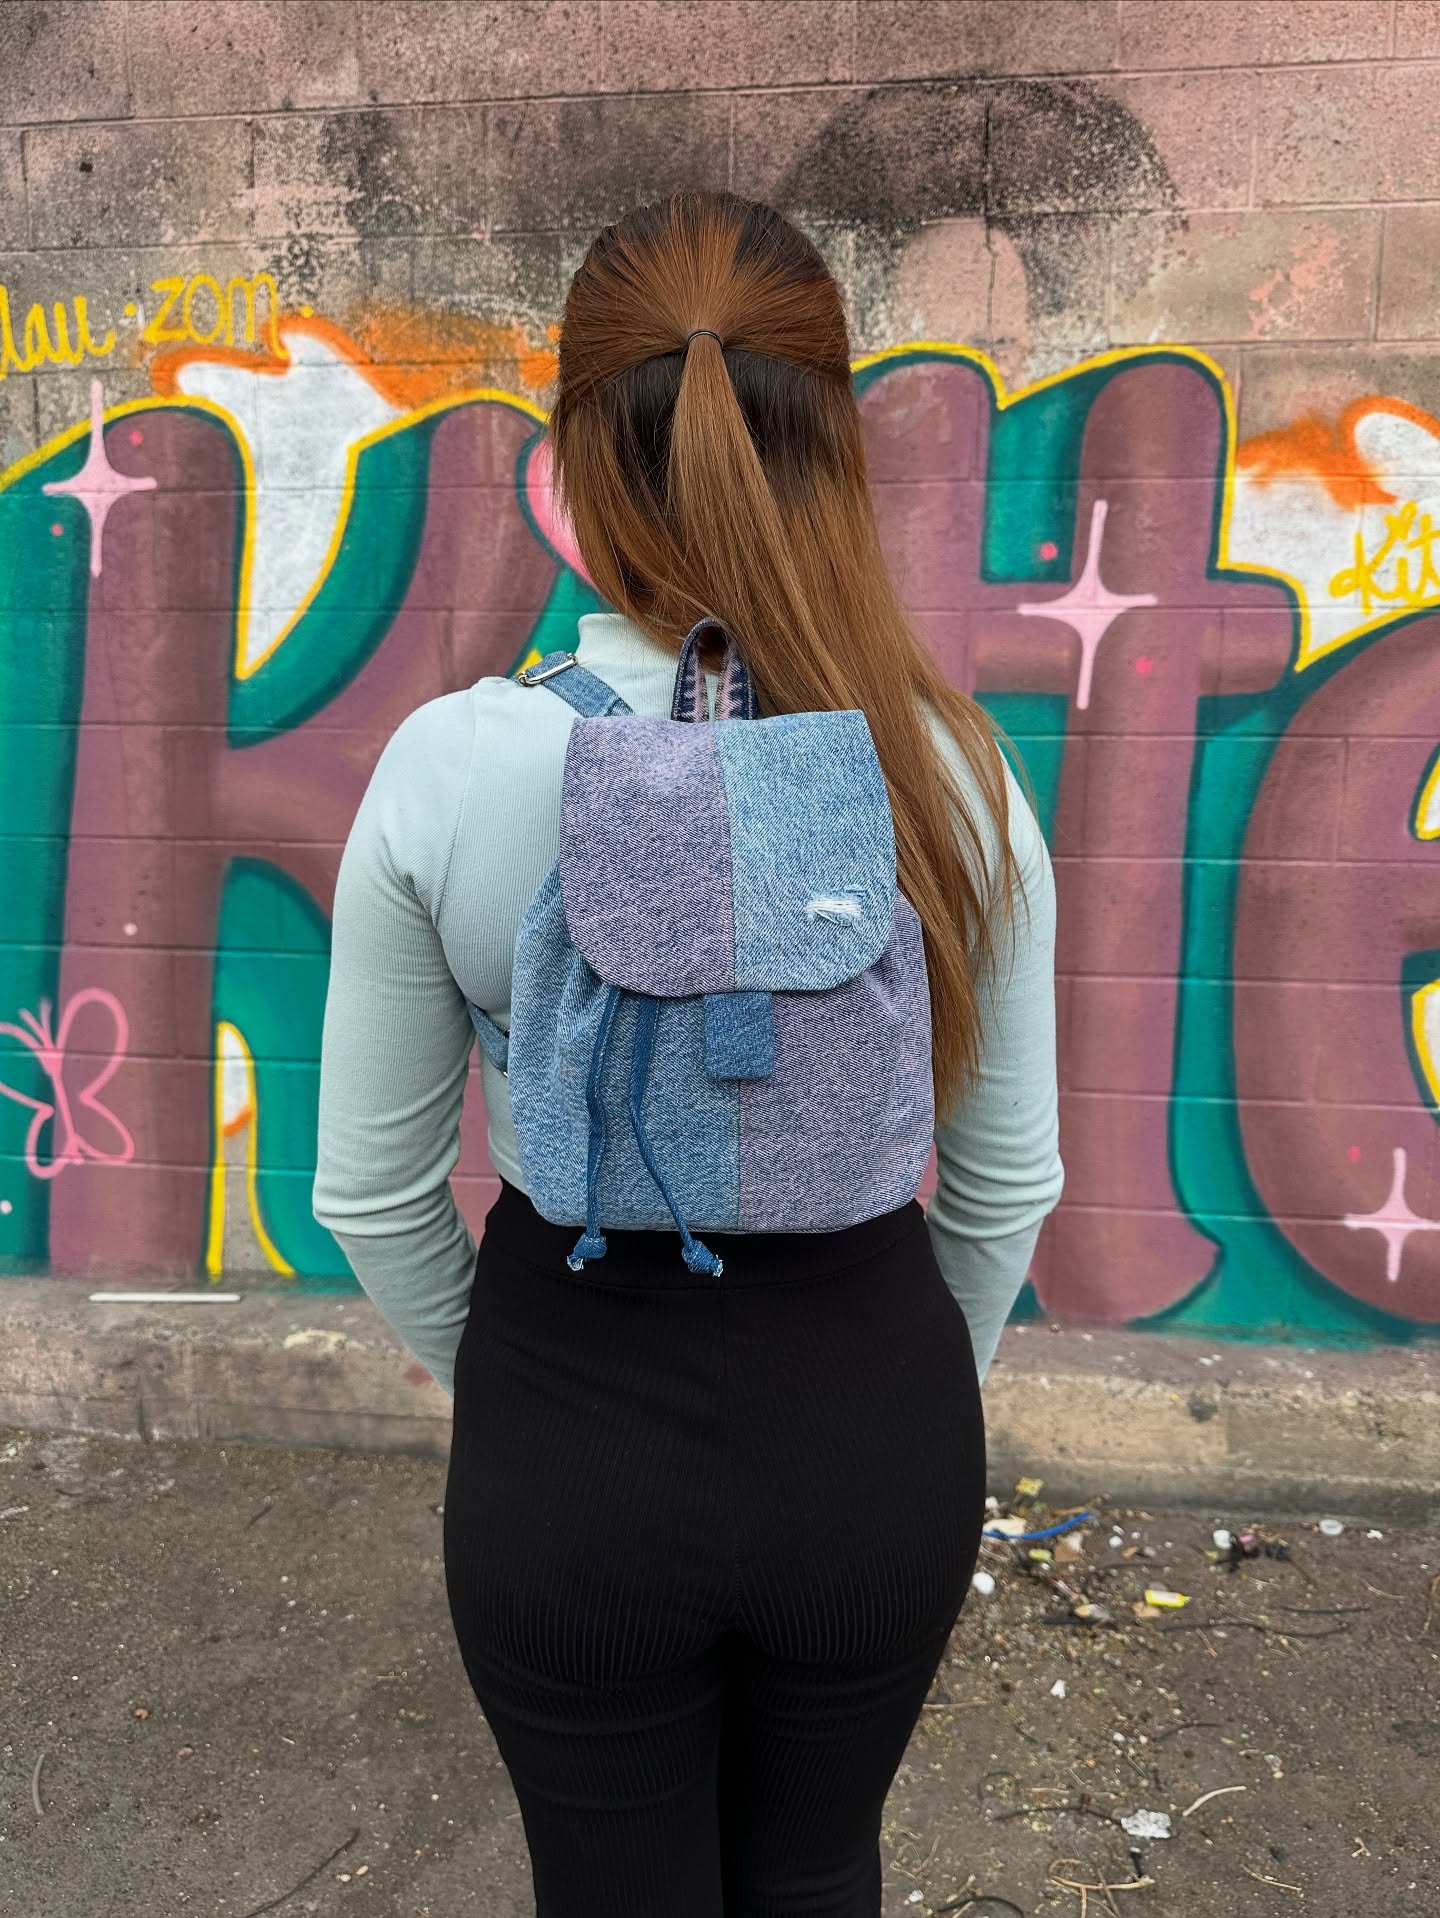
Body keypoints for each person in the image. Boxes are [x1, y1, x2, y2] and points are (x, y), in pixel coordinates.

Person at [313, 188, 1063, 1918]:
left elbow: (371, 1193)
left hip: (568, 1428)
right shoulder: (953, 775)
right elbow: (1006, 1188)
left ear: (574, 461)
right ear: (836, 452)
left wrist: (527, 1386)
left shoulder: (448, 769)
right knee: (817, 1868)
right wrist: (884, 1393)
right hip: (873, 1426)